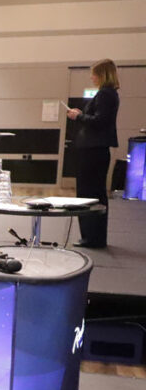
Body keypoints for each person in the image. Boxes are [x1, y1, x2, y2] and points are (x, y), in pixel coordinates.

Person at [67, 58, 120, 248]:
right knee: (95, 193)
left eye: (94, 74)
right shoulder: (109, 94)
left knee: (88, 193)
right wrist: (82, 115)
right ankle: (94, 236)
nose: (91, 77)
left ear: (101, 75)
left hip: (93, 151)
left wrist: (78, 116)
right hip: (95, 150)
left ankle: (91, 236)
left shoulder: (105, 94)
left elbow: (99, 121)